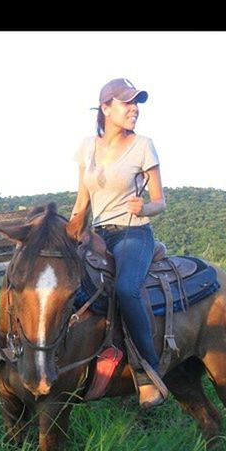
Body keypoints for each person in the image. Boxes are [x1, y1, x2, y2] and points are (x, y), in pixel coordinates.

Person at [71, 77, 167, 409]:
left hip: (133, 232)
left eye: (136, 102)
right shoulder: (87, 147)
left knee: (126, 289)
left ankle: (148, 374)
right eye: (127, 103)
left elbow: (160, 201)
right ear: (106, 108)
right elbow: (82, 202)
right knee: (66, 286)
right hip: (97, 235)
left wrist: (147, 207)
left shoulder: (144, 145)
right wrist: (71, 232)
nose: (134, 109)